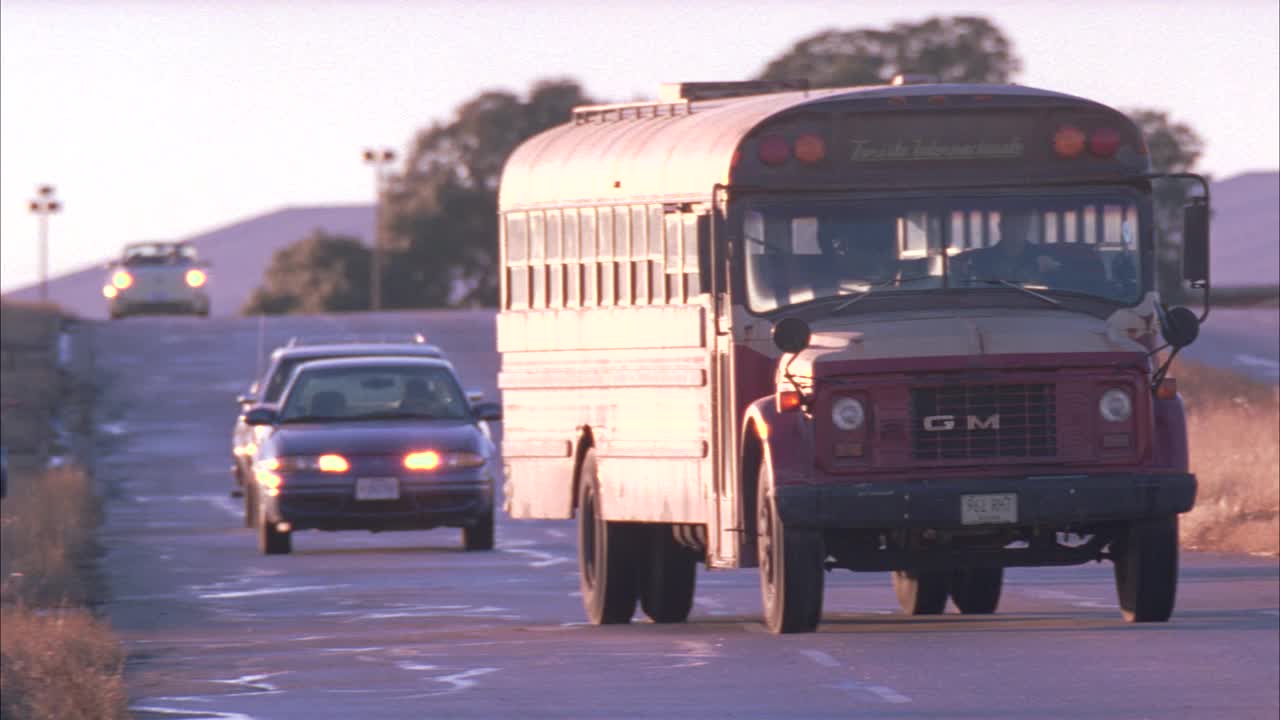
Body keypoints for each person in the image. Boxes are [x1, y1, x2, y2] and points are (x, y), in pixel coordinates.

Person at [960, 210, 1062, 282]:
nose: (1016, 230)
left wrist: (1051, 270)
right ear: (1001, 227)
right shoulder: (981, 259)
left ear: (1027, 228)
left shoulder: (1044, 257)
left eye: (1021, 225)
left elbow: (1060, 286)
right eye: (1011, 225)